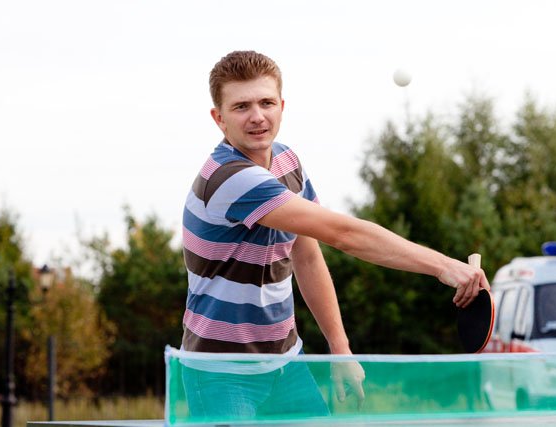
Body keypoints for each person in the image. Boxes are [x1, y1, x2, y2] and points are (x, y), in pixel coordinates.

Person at [180, 50, 489, 420]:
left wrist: (340, 350)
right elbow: (343, 234)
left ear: (282, 106)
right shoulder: (230, 178)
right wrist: (444, 266)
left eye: (266, 102)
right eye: (241, 106)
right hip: (221, 373)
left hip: (284, 364)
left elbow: (308, 257)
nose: (257, 116)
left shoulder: (287, 162)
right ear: (219, 118)